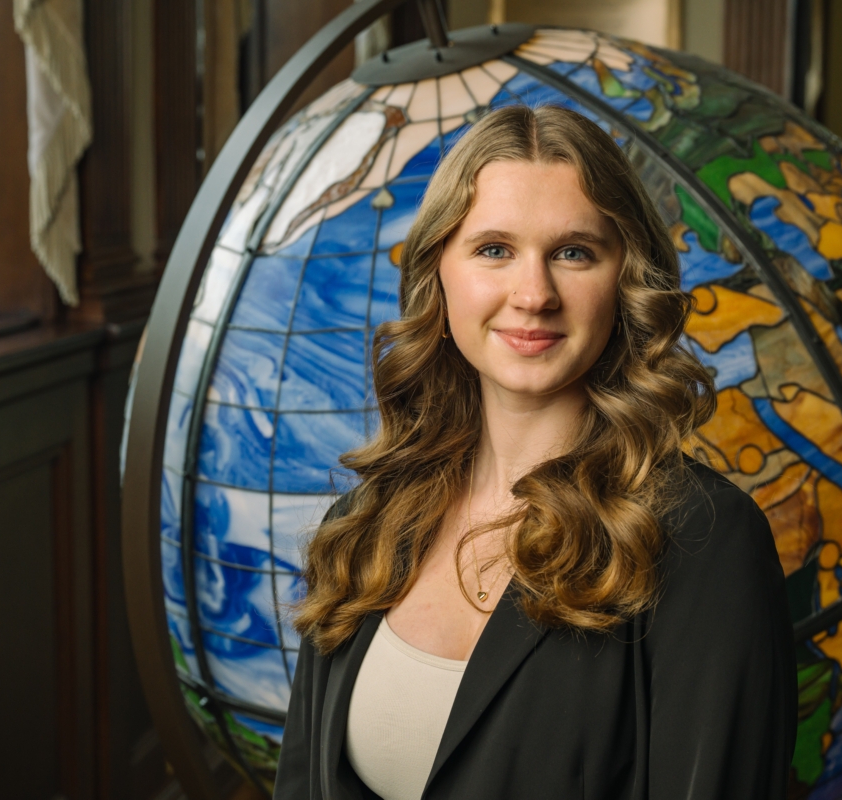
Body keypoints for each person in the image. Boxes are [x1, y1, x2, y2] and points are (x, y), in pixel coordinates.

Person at [273, 105, 796, 800]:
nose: (534, 295)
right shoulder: (366, 521)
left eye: (574, 252)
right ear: (440, 274)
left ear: (626, 278)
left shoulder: (705, 543)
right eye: (494, 249)